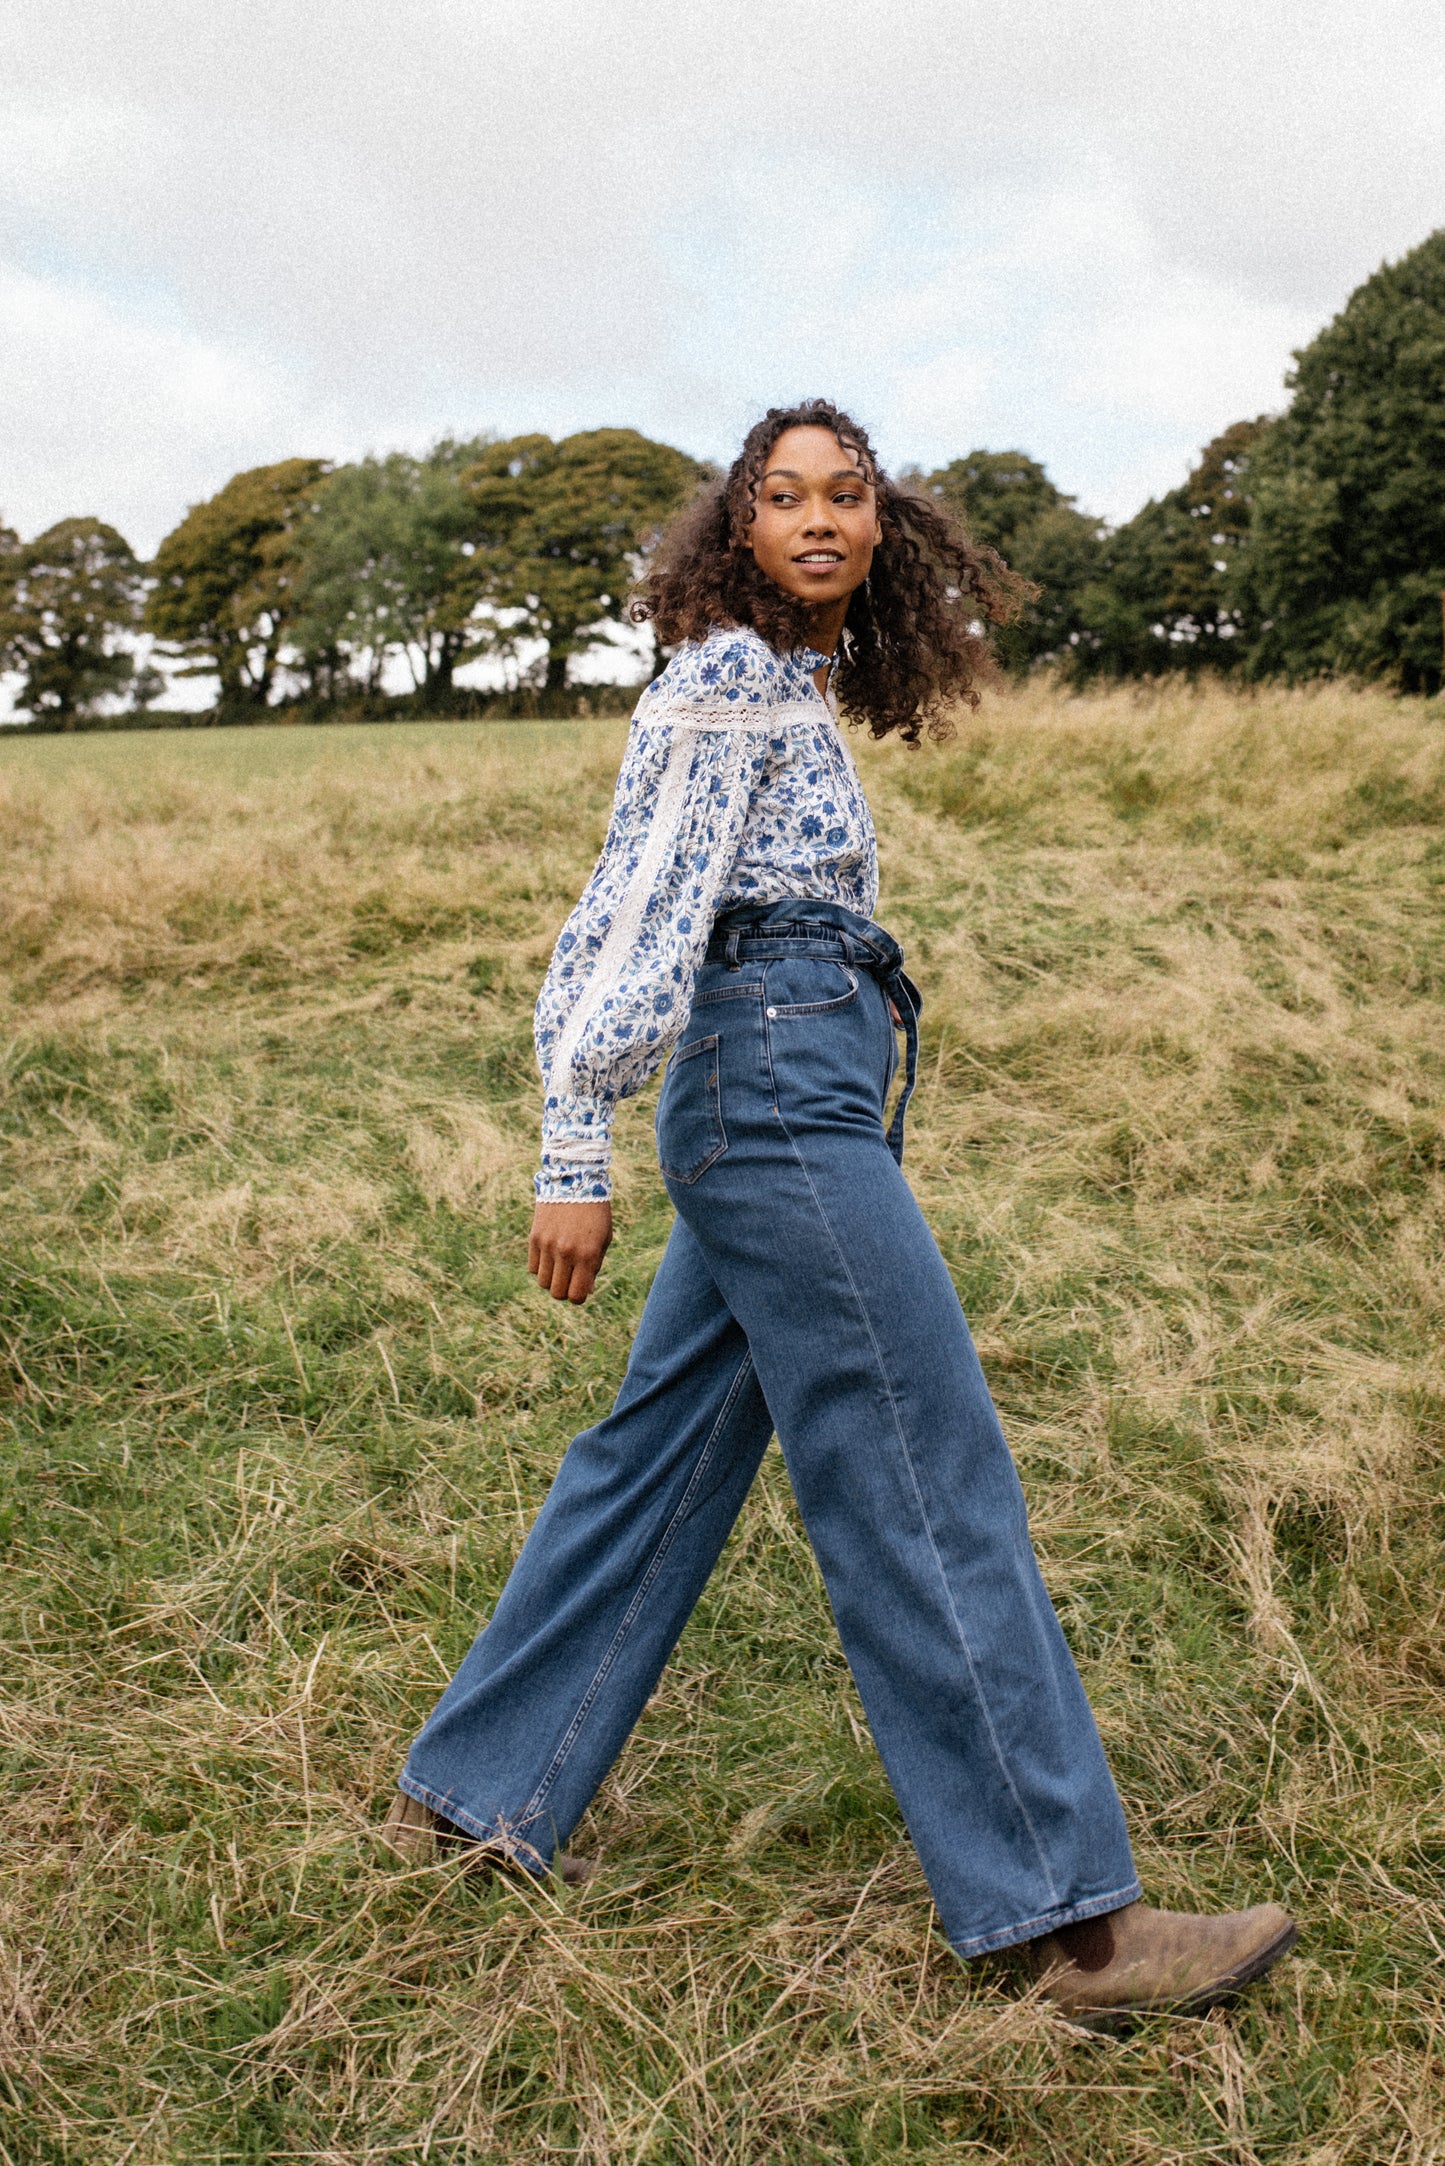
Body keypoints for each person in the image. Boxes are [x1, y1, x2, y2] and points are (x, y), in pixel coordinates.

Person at [381, 399, 1297, 2028]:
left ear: (884, 526)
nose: (820, 517)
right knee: (917, 1465)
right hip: (772, 1095)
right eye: (784, 494)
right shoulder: (727, 679)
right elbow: (639, 900)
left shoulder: (786, 684)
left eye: (848, 493)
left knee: (659, 1451)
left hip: (789, 1086)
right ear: (737, 527)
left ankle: (478, 1791)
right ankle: (1069, 1928)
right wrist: (571, 1137)